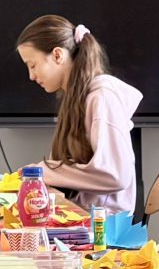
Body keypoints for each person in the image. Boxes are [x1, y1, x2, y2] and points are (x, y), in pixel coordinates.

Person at [16, 15, 142, 217]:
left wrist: (45, 172)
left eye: (32, 65)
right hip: (84, 215)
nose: (31, 76)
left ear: (57, 55)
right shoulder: (75, 98)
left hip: (103, 225)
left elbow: (116, 175)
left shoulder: (102, 98)